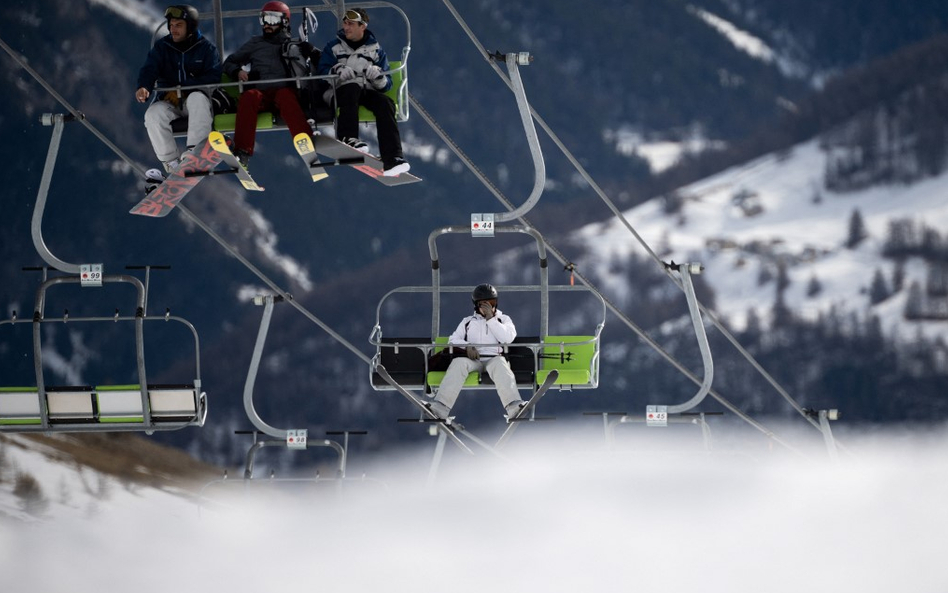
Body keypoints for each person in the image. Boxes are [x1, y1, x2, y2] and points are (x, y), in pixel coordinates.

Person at [222, 1, 320, 169]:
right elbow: (229, 62)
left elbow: (320, 64)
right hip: (262, 93)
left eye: (273, 19)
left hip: (283, 91)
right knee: (249, 96)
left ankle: (306, 140)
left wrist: (312, 51)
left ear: (284, 22)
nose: (267, 24)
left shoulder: (294, 46)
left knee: (286, 96)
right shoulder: (256, 43)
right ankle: (242, 152)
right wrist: (237, 71)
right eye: (264, 19)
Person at [316, 7, 410, 177]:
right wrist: (337, 71)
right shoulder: (334, 47)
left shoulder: (375, 50)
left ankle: (393, 157)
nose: (346, 27)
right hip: (339, 91)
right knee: (351, 88)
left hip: (365, 90)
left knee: (385, 103)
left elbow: (386, 85)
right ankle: (348, 138)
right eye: (345, 23)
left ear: (362, 26)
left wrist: (378, 77)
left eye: (351, 24)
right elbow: (321, 71)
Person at [136, 5, 221, 174]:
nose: (173, 29)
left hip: (198, 102)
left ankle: (194, 153)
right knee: (153, 115)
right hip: (170, 102)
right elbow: (149, 69)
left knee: (196, 98)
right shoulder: (162, 48)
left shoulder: (206, 49)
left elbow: (214, 76)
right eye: (171, 25)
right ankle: (171, 162)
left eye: (178, 25)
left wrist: (183, 88)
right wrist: (144, 86)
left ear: (190, 27)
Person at [427, 284, 526, 420]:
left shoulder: (503, 320)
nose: (487, 307)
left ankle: (513, 405)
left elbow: (507, 338)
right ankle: (441, 407)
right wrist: (468, 346)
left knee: (501, 365)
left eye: (491, 303)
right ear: (476, 305)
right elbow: (453, 340)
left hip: (493, 359)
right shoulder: (468, 322)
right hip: (474, 360)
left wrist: (491, 319)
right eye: (483, 304)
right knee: (459, 363)